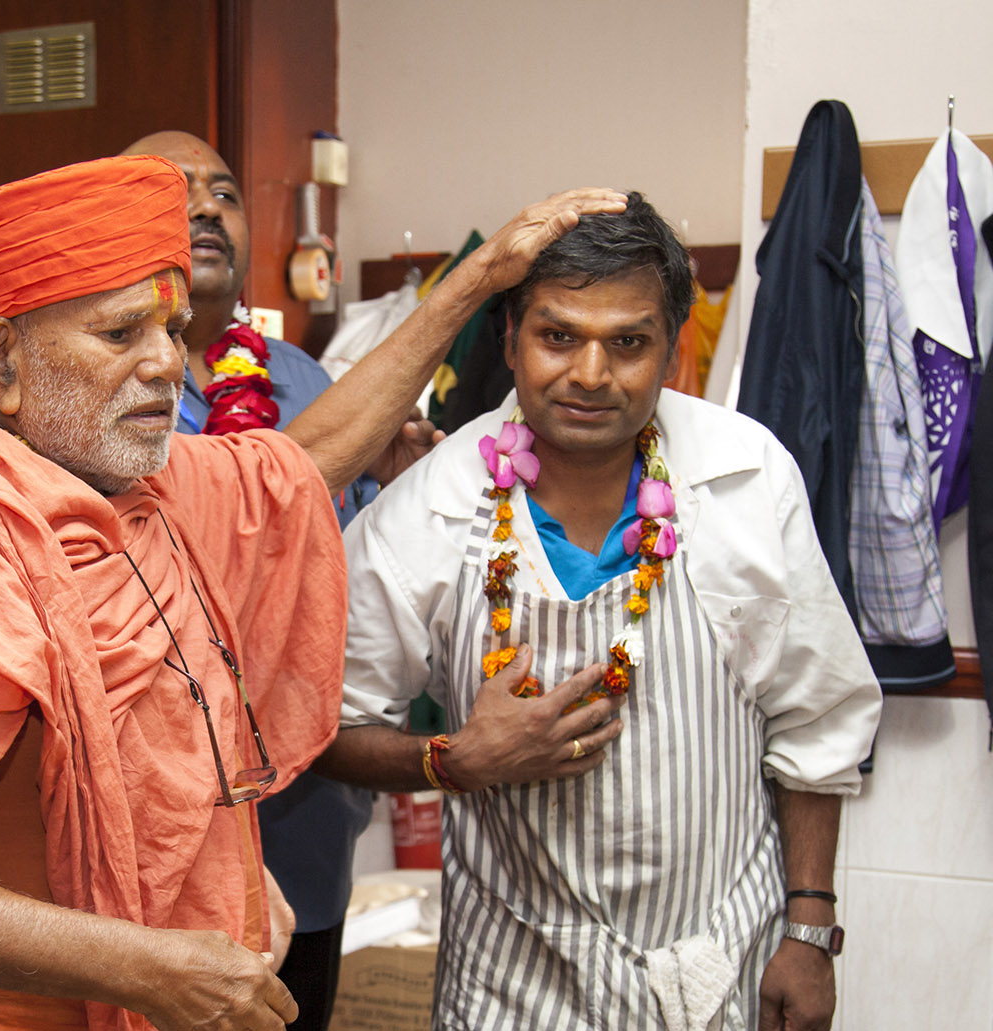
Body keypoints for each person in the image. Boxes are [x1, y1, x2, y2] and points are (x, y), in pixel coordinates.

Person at [0, 155, 624, 1031]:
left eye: (170, 329)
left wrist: (474, 282)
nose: (167, 363)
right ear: (4, 362)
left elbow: (305, 460)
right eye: (120, 333)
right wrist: (141, 962)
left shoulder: (143, 495)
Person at [314, 193, 882, 1031]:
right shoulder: (428, 508)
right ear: (509, 341)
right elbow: (322, 723)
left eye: (627, 342)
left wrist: (809, 929)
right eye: (558, 336)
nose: (589, 373)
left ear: (670, 351)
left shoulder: (745, 476)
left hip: (716, 966)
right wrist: (452, 759)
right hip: (512, 984)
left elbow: (815, 720)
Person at [120, 129, 399, 1031]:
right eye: (171, 189)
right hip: (157, 849)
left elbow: (337, 573)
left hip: (305, 828)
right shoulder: (99, 381)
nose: (205, 207)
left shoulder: (304, 379)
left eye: (225, 193)